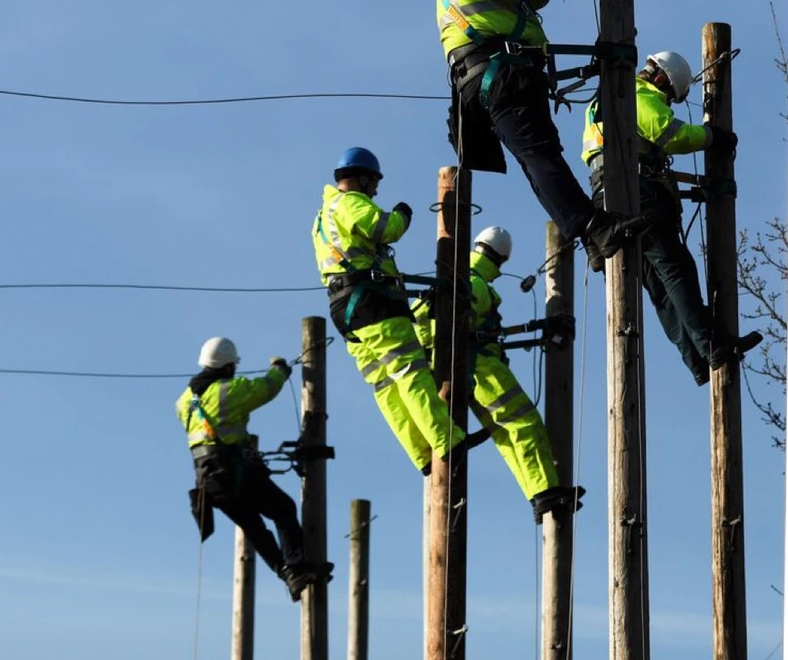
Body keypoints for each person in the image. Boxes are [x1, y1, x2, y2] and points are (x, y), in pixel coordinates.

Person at [434, 0, 647, 273]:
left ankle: (589, 235)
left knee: (536, 158)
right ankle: (594, 228)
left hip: (488, 75)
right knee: (540, 155)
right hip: (500, 70)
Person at [312, 147, 487, 475]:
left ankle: (421, 454)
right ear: (362, 178)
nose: (376, 191)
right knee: (409, 371)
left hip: (344, 310)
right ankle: (447, 440)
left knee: (384, 385)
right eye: (374, 183)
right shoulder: (350, 203)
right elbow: (385, 228)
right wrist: (402, 214)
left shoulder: (322, 217)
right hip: (372, 302)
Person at [582, 51, 749, 386]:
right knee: (675, 271)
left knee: (659, 286)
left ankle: (697, 360)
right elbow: (671, 135)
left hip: (606, 194)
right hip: (637, 192)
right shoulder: (636, 93)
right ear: (661, 79)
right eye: (670, 95)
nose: (668, 103)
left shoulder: (602, 98)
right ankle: (712, 345)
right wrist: (713, 136)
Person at [411, 226, 584, 523]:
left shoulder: (457, 277)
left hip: (463, 369)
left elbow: (430, 323)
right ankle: (545, 491)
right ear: (502, 260)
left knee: (505, 433)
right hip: (481, 368)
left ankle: (539, 493)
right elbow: (456, 318)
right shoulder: (475, 283)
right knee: (524, 423)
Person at [177, 336, 329, 601]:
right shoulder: (228, 391)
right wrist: (279, 369)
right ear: (228, 366)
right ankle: (296, 567)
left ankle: (288, 574)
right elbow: (266, 388)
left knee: (255, 528)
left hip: (209, 484)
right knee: (283, 509)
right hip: (235, 473)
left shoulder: (184, 401)